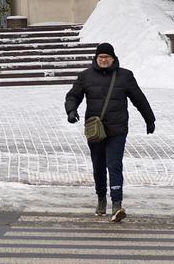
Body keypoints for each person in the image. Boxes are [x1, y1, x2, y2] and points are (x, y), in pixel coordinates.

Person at [64, 42, 155, 222]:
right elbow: (73, 95)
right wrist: (71, 111)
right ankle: (100, 198)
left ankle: (117, 203)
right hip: (95, 130)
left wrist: (149, 119)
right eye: (101, 57)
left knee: (114, 164)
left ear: (113, 58)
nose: (104, 60)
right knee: (98, 165)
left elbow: (139, 98)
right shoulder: (85, 76)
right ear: (96, 58)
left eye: (107, 57)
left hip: (117, 129)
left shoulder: (125, 76)